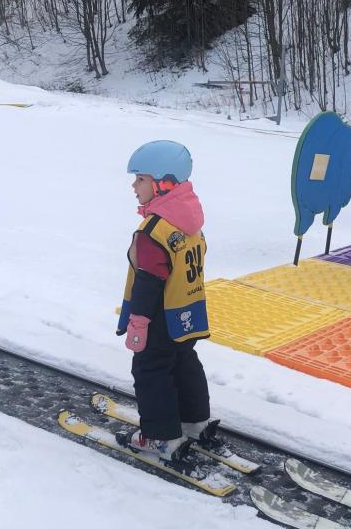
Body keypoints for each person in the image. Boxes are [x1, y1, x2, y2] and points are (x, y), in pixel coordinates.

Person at [117, 139, 213, 463]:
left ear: (162, 183)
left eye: (140, 179)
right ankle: (196, 422)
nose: (134, 186)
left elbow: (148, 281)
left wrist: (138, 322)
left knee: (150, 371)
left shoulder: (153, 231)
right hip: (187, 312)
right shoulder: (190, 222)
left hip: (158, 319)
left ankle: (161, 438)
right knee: (184, 363)